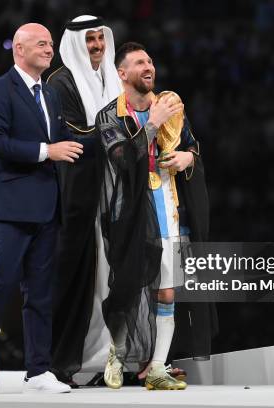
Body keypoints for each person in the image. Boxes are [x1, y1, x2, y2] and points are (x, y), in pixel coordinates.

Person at [0, 23, 83, 395]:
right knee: (1, 280)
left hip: (45, 207)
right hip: (7, 207)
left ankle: (38, 369)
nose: (50, 49)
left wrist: (126, 128)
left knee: (40, 291)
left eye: (51, 44)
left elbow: (65, 141)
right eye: (42, 44)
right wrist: (46, 152)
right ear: (19, 48)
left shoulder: (49, 94)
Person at [95, 42, 211, 390]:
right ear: (122, 73)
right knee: (127, 287)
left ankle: (158, 366)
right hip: (129, 214)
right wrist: (152, 125)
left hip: (168, 209)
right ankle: (117, 351)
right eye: (139, 62)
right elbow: (121, 160)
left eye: (150, 61)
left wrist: (188, 160)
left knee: (168, 291)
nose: (149, 66)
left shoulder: (172, 107)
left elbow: (192, 145)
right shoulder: (109, 115)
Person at [46, 15, 122, 386]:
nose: (96, 45)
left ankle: (114, 361)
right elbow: (75, 137)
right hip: (79, 197)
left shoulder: (113, 78)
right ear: (76, 43)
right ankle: (75, 363)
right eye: (89, 40)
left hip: (115, 194)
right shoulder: (60, 83)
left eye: (99, 38)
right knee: (82, 279)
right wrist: (129, 134)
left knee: (112, 279)